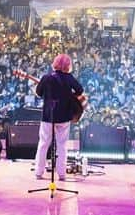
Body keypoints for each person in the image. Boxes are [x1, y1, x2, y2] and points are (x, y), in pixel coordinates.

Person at [33, 53, 84, 181]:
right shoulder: (69, 78)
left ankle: (39, 172)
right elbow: (80, 90)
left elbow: (39, 93)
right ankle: (61, 174)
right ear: (68, 66)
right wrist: (69, 94)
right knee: (62, 145)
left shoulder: (46, 78)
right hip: (64, 117)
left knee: (43, 144)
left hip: (48, 117)